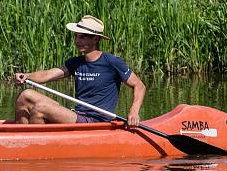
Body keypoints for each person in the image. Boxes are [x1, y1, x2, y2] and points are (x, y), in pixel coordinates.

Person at [13, 15, 146, 125]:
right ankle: (21, 138)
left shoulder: (111, 62)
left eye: (82, 36)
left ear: (95, 38)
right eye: (76, 36)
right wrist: (27, 76)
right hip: (77, 115)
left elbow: (139, 85)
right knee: (25, 96)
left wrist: (134, 111)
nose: (77, 40)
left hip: (96, 121)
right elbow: (47, 74)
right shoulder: (76, 63)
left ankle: (34, 146)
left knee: (40, 108)